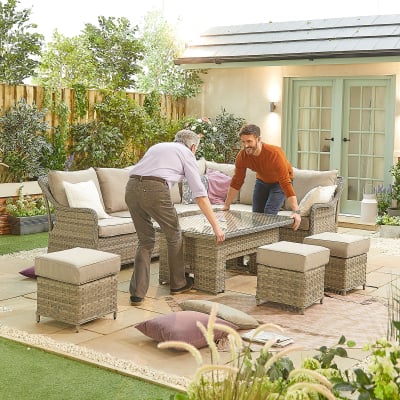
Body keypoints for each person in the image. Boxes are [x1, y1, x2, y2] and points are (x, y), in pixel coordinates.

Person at [125, 129, 226, 306]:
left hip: (131, 187)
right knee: (174, 235)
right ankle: (179, 284)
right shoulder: (187, 153)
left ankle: (137, 294)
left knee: (145, 240)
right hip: (155, 190)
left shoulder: (158, 147)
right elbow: (200, 194)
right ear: (193, 146)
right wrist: (216, 226)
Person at [222, 124, 301, 230]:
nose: (246, 146)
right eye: (243, 142)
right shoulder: (242, 156)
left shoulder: (274, 153)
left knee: (268, 213)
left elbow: (285, 182)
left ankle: (268, 243)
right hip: (262, 181)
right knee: (256, 216)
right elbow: (237, 181)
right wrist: (226, 205)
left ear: (258, 139)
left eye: (249, 141)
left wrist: (296, 212)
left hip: (279, 183)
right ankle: (257, 243)